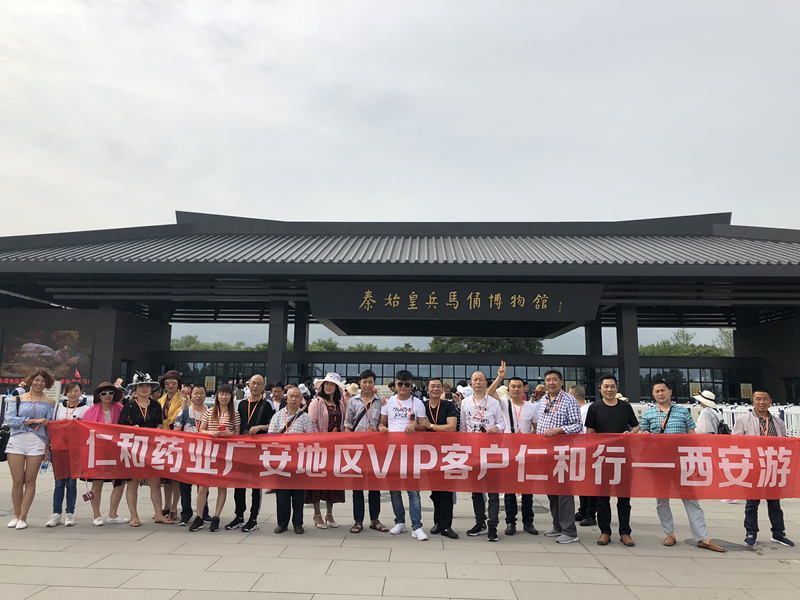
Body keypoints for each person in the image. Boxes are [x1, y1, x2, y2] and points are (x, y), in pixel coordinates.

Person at [639, 379, 725, 552]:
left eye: (663, 390)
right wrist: (644, 434)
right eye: (656, 391)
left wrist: (696, 460)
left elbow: (692, 436)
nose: (660, 394)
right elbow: (642, 435)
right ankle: (669, 533)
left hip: (681, 463)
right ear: (653, 394)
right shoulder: (648, 414)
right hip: (660, 464)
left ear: (670, 392)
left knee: (691, 499)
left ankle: (702, 537)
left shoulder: (683, 412)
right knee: (662, 500)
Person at [732, 389, 794, 547]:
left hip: (773, 467)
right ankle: (751, 532)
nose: (762, 402)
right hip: (753, 467)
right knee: (752, 503)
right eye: (758, 399)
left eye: (765, 399)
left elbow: (784, 443)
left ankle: (778, 533)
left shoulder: (778, 422)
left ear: (770, 401)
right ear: (752, 401)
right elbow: (736, 442)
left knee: (775, 503)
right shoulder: (742, 420)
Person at [584, 374, 640, 546]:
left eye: (612, 386)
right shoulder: (595, 408)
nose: (609, 389)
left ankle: (625, 532)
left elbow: (636, 425)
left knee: (624, 498)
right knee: (602, 498)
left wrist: (630, 434)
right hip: (602, 458)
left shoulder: (625, 407)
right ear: (600, 388)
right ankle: (605, 532)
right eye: (606, 386)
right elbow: (590, 433)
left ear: (616, 388)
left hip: (623, 457)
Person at [5, 369, 57, 530]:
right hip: (17, 440)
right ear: (31, 381)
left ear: (47, 384)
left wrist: (48, 447)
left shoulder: (50, 402)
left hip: (37, 441)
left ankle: (23, 516)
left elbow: (50, 426)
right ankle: (16, 515)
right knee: (17, 481)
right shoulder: (18, 399)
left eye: (43, 381)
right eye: (37, 380)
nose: (39, 383)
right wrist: (32, 421)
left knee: (30, 480)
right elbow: (10, 419)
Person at [380, 369, 428, 541]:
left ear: (411, 385)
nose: (403, 387)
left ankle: (417, 526)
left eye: (407, 384)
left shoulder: (418, 403)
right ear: (395, 384)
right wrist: (382, 428)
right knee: (394, 491)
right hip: (393, 451)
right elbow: (381, 423)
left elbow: (424, 427)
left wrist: (415, 426)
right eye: (400, 384)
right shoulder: (388, 401)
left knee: (413, 491)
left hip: (411, 451)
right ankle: (400, 522)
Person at [118, 372, 169, 527]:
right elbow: (120, 428)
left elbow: (160, 423)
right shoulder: (129, 407)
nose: (145, 389)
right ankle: (134, 516)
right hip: (134, 448)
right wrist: (133, 429)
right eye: (141, 386)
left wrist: (156, 430)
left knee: (155, 482)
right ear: (135, 389)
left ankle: (159, 514)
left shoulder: (156, 405)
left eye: (147, 386)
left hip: (152, 447)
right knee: (133, 482)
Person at [537, 369, 582, 544]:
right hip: (546, 452)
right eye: (548, 380)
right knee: (551, 491)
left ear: (561, 382)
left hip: (563, 452)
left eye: (554, 379)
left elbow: (578, 425)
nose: (551, 383)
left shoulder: (569, 400)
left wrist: (559, 430)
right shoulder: (543, 400)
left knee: (564, 492)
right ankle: (557, 525)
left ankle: (570, 531)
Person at [461, 370, 505, 542]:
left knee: (493, 491)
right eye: (475, 379)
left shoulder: (494, 402)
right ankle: (480, 523)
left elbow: (502, 423)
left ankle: (493, 525)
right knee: (476, 490)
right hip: (473, 452)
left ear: (486, 383)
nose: (478, 382)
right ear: (471, 383)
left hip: (491, 451)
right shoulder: (465, 402)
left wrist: (497, 428)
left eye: (481, 379)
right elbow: (463, 427)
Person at [190, 384, 241, 532]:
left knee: (221, 486)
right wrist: (210, 433)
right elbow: (201, 430)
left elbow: (238, 434)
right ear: (217, 395)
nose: (224, 397)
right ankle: (199, 517)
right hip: (209, 452)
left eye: (227, 394)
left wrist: (229, 434)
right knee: (202, 486)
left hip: (225, 453)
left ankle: (216, 517)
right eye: (221, 394)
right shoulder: (210, 412)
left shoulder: (235, 414)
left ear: (231, 396)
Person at [343, 369, 388, 534]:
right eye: (364, 382)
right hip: (358, 450)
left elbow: (384, 422)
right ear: (359, 384)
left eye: (370, 382)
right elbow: (348, 425)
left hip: (376, 450)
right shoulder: (352, 402)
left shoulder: (381, 401)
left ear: (374, 383)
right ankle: (358, 520)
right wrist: (349, 446)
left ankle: (375, 520)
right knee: (357, 487)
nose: (367, 385)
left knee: (375, 486)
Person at [227, 374, 273, 532]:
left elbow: (273, 425)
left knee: (255, 486)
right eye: (253, 383)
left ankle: (253, 519)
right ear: (248, 385)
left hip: (258, 450)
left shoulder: (267, 405)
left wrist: (260, 427)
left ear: (263, 386)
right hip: (241, 449)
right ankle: (239, 516)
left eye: (259, 384)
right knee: (239, 484)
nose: (255, 386)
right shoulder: (241, 404)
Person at [418, 376, 459, 539]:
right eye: (432, 386)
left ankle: (447, 526)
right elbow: (417, 425)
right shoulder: (422, 406)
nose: (435, 389)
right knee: (435, 491)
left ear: (443, 389)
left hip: (448, 452)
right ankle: (438, 522)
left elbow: (451, 427)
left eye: (438, 386)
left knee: (447, 491)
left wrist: (431, 426)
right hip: (429, 453)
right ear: (427, 389)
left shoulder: (449, 405)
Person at [269, 386, 313, 534]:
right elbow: (270, 439)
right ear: (286, 398)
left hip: (299, 461)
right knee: (282, 495)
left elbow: (310, 440)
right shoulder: (277, 416)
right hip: (281, 460)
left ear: (301, 399)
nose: (293, 399)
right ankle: (282, 523)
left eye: (297, 397)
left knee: (298, 495)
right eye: (291, 396)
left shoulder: (306, 417)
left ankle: (298, 523)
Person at [83, 382, 128, 526]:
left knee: (119, 483)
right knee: (97, 483)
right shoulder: (90, 412)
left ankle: (113, 514)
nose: (107, 396)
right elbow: (84, 432)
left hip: (117, 450)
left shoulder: (121, 409)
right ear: (98, 395)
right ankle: (96, 515)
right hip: (98, 452)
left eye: (110, 393)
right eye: (104, 393)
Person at [306, 372, 348, 528]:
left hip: (335, 448)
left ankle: (329, 513)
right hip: (319, 447)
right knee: (317, 481)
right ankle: (317, 514)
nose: (329, 387)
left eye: (332, 385)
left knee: (332, 481)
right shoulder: (316, 402)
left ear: (337, 388)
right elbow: (312, 423)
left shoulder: (340, 404)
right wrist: (320, 440)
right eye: (327, 384)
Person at [46, 382, 89, 528]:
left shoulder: (85, 409)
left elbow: (87, 429)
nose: (73, 394)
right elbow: (51, 427)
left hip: (75, 450)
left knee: (71, 483)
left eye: (76, 391)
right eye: (70, 391)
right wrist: (48, 447)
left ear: (81, 392)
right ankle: (56, 513)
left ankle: (70, 512)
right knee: (59, 482)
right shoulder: (58, 408)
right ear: (65, 393)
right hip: (59, 449)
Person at [173, 385, 211, 526]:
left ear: (205, 395)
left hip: (205, 454)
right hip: (187, 454)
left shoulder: (211, 412)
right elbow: (176, 432)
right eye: (196, 393)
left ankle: (204, 513)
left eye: (201, 393)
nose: (198, 396)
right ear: (191, 395)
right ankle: (186, 515)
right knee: (185, 486)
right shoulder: (183, 412)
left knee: (203, 486)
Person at [158, 370, 188, 523]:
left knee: (176, 476)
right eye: (167, 383)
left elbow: (183, 414)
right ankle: (167, 504)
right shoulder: (161, 399)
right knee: (166, 476)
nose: (170, 385)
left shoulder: (184, 398)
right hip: (163, 439)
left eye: (173, 383)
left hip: (177, 439)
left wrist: (184, 397)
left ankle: (175, 507)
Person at [570, 384, 596, 527]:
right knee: (581, 482)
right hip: (578, 451)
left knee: (589, 483)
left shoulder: (586, 410)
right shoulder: (580, 410)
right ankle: (583, 510)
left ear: (573, 397)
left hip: (586, 450)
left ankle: (590, 513)